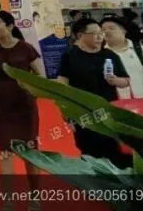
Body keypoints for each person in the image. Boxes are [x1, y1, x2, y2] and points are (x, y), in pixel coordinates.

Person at [0, 11, 43, 207]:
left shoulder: (26, 48)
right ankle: (8, 200)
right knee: (5, 151)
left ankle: (35, 196)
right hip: (1, 106)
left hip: (25, 106)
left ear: (10, 26)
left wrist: (31, 86)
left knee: (30, 150)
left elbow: (40, 76)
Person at [56, 18, 132, 168]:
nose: (100, 37)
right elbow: (62, 85)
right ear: (80, 35)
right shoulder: (70, 56)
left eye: (101, 33)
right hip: (82, 113)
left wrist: (116, 81)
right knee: (90, 152)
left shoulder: (109, 55)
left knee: (116, 150)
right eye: (94, 33)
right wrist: (66, 112)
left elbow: (126, 81)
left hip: (109, 111)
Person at [100, 16, 143, 100]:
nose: (107, 31)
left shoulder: (139, 49)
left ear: (123, 31)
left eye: (111, 28)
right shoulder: (101, 54)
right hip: (116, 103)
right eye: (103, 29)